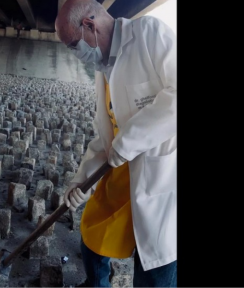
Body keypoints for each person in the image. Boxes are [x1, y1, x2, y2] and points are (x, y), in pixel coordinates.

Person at [55, 0, 177, 287]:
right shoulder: (103, 68)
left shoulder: (149, 34)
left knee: (155, 271)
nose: (75, 54)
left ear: (90, 25)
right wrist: (80, 182)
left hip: (162, 180)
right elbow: (107, 136)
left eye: (73, 45)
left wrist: (131, 139)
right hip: (122, 173)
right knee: (93, 238)